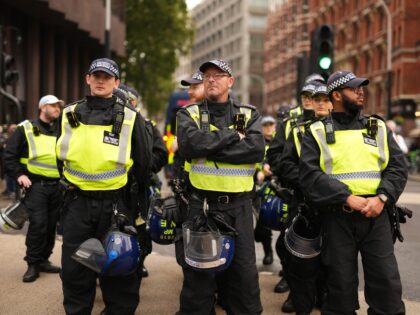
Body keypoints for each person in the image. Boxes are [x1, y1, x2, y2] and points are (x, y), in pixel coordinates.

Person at [300, 71, 407, 315]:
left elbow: (397, 168)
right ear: (336, 95)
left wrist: (381, 198)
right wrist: (346, 197)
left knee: (387, 285)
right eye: (353, 88)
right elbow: (310, 177)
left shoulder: (377, 126)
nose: (361, 92)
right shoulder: (316, 131)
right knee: (339, 288)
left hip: (376, 216)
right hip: (337, 217)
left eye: (361, 88)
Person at [56, 58, 151, 315]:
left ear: (116, 82)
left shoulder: (131, 117)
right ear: (87, 78)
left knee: (119, 271)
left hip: (116, 206)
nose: (101, 80)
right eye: (96, 75)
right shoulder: (69, 113)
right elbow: (60, 160)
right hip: (78, 204)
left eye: (107, 77)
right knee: (76, 272)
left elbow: (143, 165)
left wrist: (137, 205)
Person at [176, 59, 265, 315]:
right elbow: (191, 146)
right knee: (199, 280)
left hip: (239, 207)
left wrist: (211, 147)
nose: (211, 79)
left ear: (230, 81)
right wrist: (232, 136)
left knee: (244, 278)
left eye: (218, 75)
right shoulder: (188, 113)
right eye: (207, 75)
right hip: (202, 207)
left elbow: (255, 150)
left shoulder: (248, 114)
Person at [278, 83, 332, 314]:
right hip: (303, 203)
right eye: (314, 98)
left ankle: (323, 295)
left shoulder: (347, 130)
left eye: (324, 98)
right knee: (298, 258)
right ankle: (299, 297)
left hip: (335, 206)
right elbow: (284, 163)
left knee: (331, 259)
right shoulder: (300, 130)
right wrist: (308, 181)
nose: (319, 102)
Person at [4, 95, 63, 282]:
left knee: (51, 225)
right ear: (42, 107)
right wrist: (19, 175)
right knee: (38, 225)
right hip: (36, 186)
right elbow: (9, 155)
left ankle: (44, 259)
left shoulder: (61, 131)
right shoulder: (25, 128)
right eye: (53, 106)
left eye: (59, 107)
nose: (57, 109)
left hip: (57, 187)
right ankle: (32, 264)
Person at [254, 115, 276, 265]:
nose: (268, 128)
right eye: (265, 125)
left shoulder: (279, 141)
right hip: (260, 190)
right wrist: (258, 173)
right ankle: (268, 251)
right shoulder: (257, 143)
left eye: (271, 125)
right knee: (262, 227)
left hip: (278, 189)